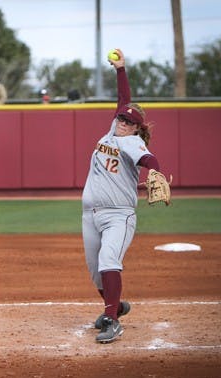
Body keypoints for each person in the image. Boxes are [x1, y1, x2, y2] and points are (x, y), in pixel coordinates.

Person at [81, 48, 163, 344]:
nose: (121, 123)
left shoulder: (132, 143)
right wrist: (121, 70)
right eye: (120, 119)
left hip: (118, 215)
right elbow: (124, 101)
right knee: (96, 273)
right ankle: (115, 305)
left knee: (108, 260)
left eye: (128, 122)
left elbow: (150, 161)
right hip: (90, 215)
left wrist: (155, 173)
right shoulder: (110, 135)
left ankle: (112, 321)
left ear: (136, 129)